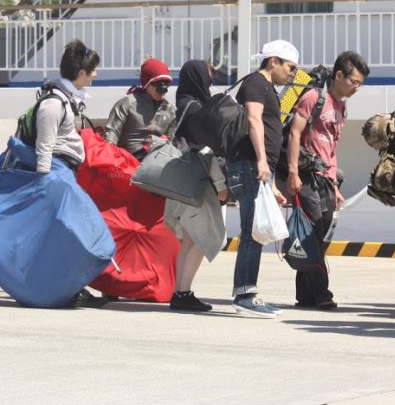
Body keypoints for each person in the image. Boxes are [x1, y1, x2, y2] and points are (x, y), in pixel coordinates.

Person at [284, 51, 368, 310]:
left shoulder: (341, 106)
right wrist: (293, 172)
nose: (356, 88)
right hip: (307, 175)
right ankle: (322, 293)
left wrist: (334, 185)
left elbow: (331, 148)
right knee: (313, 232)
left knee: (317, 235)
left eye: (360, 84)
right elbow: (295, 134)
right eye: (354, 82)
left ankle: (304, 295)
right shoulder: (314, 97)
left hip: (326, 179)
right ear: (339, 75)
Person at [33, 39, 107, 308]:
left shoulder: (66, 99)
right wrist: (45, 185)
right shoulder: (53, 104)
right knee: (69, 235)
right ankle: (67, 288)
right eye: (92, 70)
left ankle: (72, 287)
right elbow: (45, 146)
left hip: (65, 173)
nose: (96, 75)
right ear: (81, 74)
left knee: (68, 235)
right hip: (56, 174)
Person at [228, 39, 297, 318]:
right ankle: (245, 294)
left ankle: (245, 292)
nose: (292, 73)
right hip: (250, 166)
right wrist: (261, 160)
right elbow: (254, 120)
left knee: (255, 232)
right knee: (252, 232)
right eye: (290, 67)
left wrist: (271, 185)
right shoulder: (256, 83)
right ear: (274, 62)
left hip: (256, 170)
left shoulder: (266, 87)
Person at [164, 60, 228, 312]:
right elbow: (202, 149)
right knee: (201, 239)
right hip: (197, 181)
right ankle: (182, 292)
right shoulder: (194, 108)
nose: (209, 83)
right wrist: (220, 182)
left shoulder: (183, 103)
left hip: (184, 181)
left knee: (191, 240)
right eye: (207, 78)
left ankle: (180, 293)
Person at [104, 58, 175, 161]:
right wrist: (110, 161)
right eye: (158, 83)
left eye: (166, 83)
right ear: (147, 84)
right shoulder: (128, 104)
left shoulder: (170, 110)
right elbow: (111, 135)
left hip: (156, 164)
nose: (163, 88)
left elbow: (173, 142)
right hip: (128, 163)